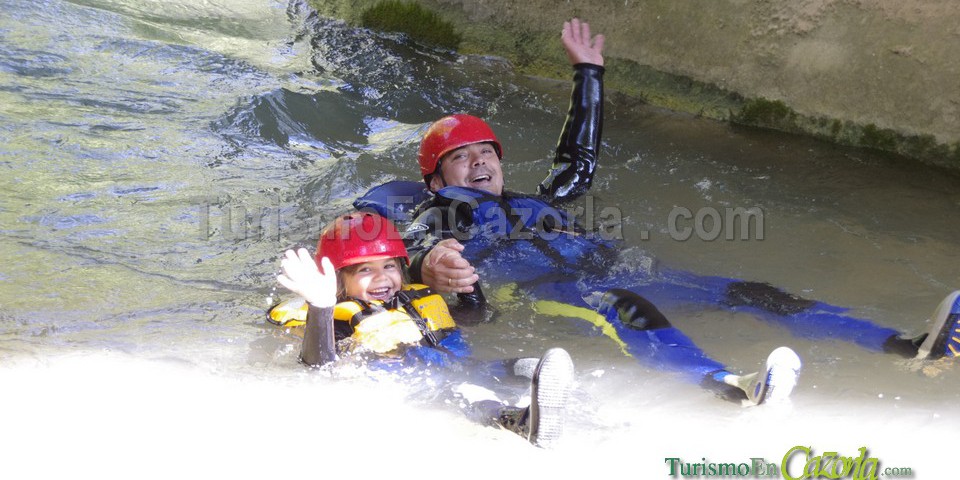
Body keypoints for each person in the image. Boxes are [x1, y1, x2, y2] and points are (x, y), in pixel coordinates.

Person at [364, 18, 960, 405]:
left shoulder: (537, 201)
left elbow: (579, 157)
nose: (477, 164)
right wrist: (425, 266)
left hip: (620, 266)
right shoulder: (437, 212)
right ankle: (727, 385)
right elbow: (397, 254)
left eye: (485, 152)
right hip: (545, 288)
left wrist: (589, 74)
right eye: (458, 158)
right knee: (630, 309)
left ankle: (904, 345)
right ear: (434, 176)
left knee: (751, 290)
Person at [269, 211, 576, 448]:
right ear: (339, 281)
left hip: (454, 363)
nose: (381, 278)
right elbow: (319, 365)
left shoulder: (413, 297)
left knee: (525, 366)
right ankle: (517, 422)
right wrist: (322, 305)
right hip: (410, 384)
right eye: (365, 270)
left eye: (389, 266)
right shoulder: (335, 319)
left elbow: (477, 316)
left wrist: (467, 281)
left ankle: (560, 400)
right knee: (463, 394)